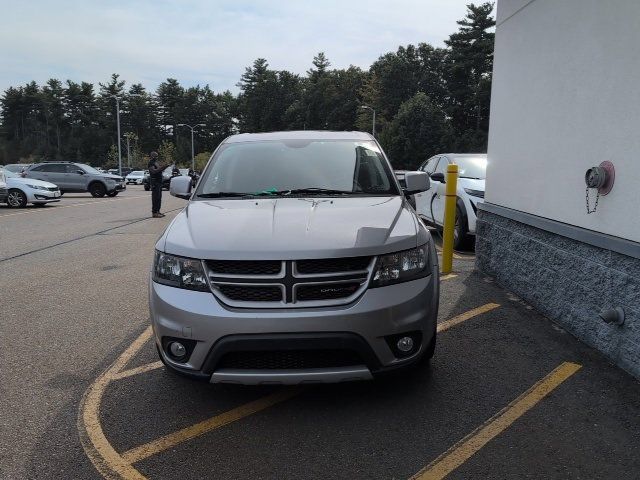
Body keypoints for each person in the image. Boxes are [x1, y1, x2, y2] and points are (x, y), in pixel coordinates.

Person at [148, 151, 169, 218]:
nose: (156, 157)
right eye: (155, 156)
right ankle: (154, 213)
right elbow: (153, 171)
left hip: (159, 182)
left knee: (159, 198)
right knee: (155, 198)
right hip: (155, 182)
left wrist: (165, 167)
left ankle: (158, 211)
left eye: (157, 156)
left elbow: (159, 170)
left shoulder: (156, 163)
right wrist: (162, 167)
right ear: (151, 156)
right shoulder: (151, 163)